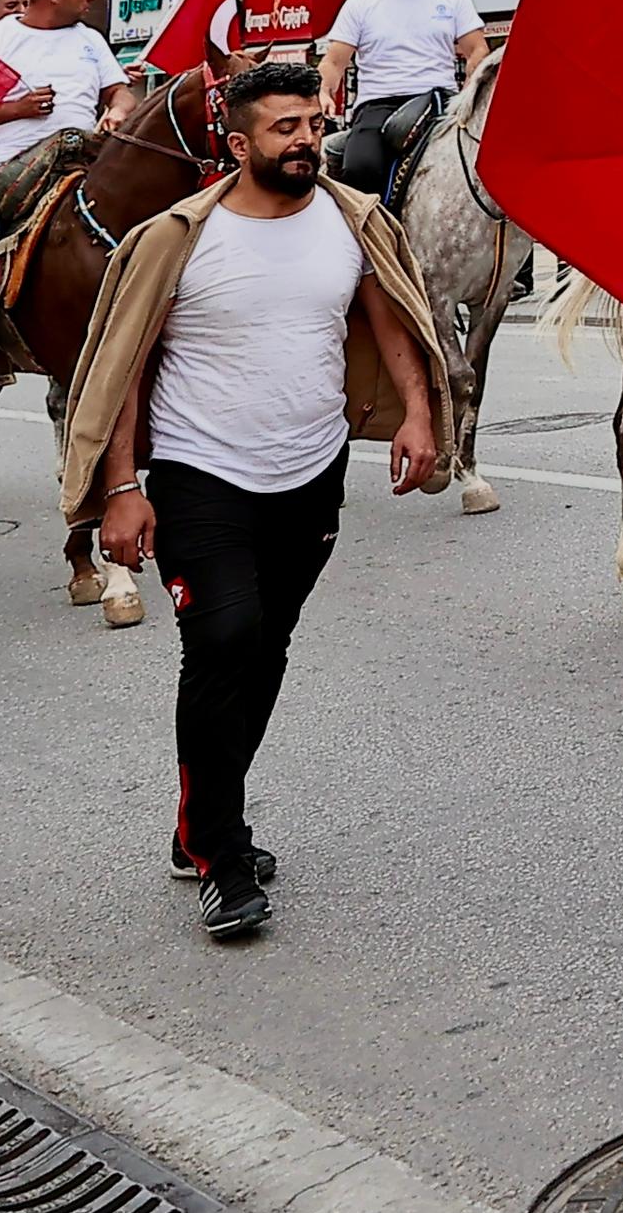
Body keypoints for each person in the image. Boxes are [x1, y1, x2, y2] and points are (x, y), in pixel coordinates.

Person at [63, 58, 449, 940]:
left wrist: (418, 416)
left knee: (268, 646)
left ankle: (197, 822)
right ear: (239, 144)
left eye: (314, 124)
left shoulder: (354, 222)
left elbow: (390, 319)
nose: (308, 140)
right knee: (224, 640)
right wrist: (121, 486)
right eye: (286, 129)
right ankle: (223, 859)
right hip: (202, 475)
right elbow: (127, 367)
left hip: (310, 473)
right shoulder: (179, 237)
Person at [0, 0, 135, 352]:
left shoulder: (90, 40)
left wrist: (117, 111)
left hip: (81, 159)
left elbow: (120, 91)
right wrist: (18, 110)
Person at [316, 0, 487, 212]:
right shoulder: (361, 3)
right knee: (360, 168)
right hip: (378, 104)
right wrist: (322, 92)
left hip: (440, 103)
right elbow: (334, 61)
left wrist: (471, 92)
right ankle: (366, 246)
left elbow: (477, 50)